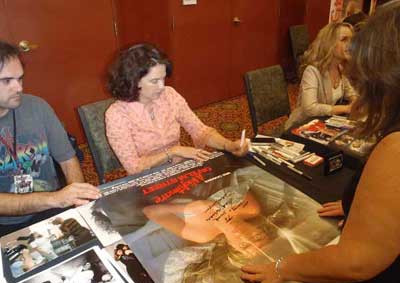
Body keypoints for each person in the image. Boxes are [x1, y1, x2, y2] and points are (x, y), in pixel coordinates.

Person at [241, 3, 400, 283]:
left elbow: (356, 260)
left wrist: (282, 267)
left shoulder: (396, 146)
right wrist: (360, 203)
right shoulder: (314, 71)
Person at [105, 43, 249, 175]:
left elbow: (199, 130)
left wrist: (228, 145)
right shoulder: (116, 115)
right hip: (147, 177)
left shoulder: (170, 95)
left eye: (163, 79)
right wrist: (173, 151)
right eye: (154, 81)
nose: (162, 87)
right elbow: (134, 167)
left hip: (179, 168)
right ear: (133, 81)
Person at [0, 41, 101, 225]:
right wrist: (55, 198)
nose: (19, 88)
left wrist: (79, 201)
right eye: (7, 81)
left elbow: (67, 159)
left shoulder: (38, 107)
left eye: (20, 79)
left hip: (52, 209)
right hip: (6, 223)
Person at [284, 22, 359, 130]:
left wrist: (355, 100)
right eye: (344, 40)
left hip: (322, 124)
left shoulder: (340, 68)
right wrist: (345, 108)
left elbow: (351, 93)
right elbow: (310, 108)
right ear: (329, 44)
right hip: (301, 126)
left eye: (351, 40)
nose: (350, 44)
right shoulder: (312, 71)